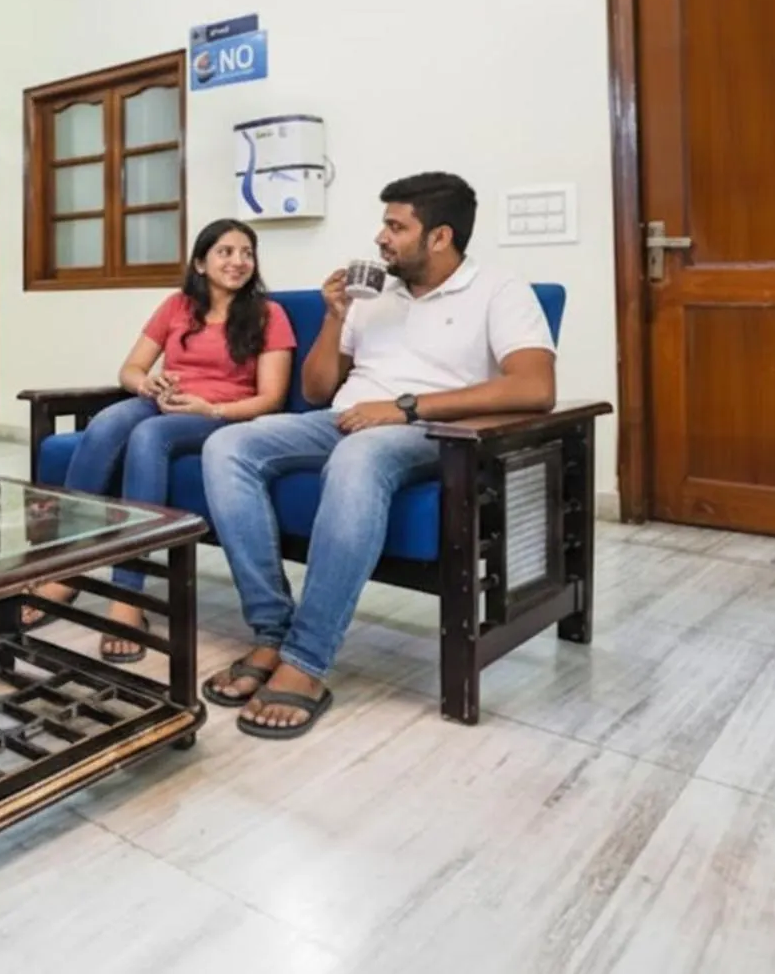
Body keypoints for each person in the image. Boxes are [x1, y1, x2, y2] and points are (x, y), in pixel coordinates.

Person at [199, 172, 556, 739]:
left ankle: (307, 660)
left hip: (434, 430)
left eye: (395, 226)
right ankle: (272, 632)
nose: (381, 237)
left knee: (359, 456)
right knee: (227, 444)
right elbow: (317, 393)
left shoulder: (499, 289)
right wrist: (337, 315)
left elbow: (535, 387)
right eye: (384, 224)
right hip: (341, 418)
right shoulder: (374, 293)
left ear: (439, 237)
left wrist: (406, 407)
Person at [25, 219, 295, 661]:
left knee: (149, 435)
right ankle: (66, 567)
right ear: (200, 263)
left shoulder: (269, 315)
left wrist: (211, 409)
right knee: (108, 422)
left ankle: (128, 595)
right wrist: (147, 385)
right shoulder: (177, 306)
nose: (238, 261)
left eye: (246, 252)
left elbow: (270, 398)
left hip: (219, 416)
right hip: (164, 401)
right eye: (225, 251)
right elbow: (130, 370)